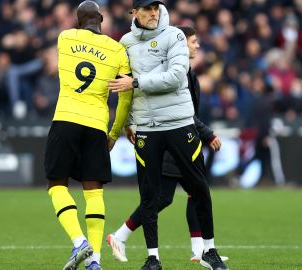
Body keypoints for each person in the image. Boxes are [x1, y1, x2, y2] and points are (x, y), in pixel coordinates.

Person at [107, 2, 229, 269]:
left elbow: (175, 77)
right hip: (147, 128)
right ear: (134, 12)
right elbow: (123, 85)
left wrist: (137, 82)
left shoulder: (174, 35)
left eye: (156, 8)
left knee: (198, 188)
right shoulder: (125, 42)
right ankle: (153, 258)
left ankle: (209, 250)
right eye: (146, 9)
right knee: (150, 197)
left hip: (179, 125)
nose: (153, 13)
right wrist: (127, 121)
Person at [44, 1, 133, 270]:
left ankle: (79, 240)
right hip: (96, 125)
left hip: (66, 119)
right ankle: (95, 261)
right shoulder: (117, 49)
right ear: (102, 19)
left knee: (56, 184)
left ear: (78, 19)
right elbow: (126, 95)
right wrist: (115, 132)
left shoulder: (65, 38)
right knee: (93, 191)